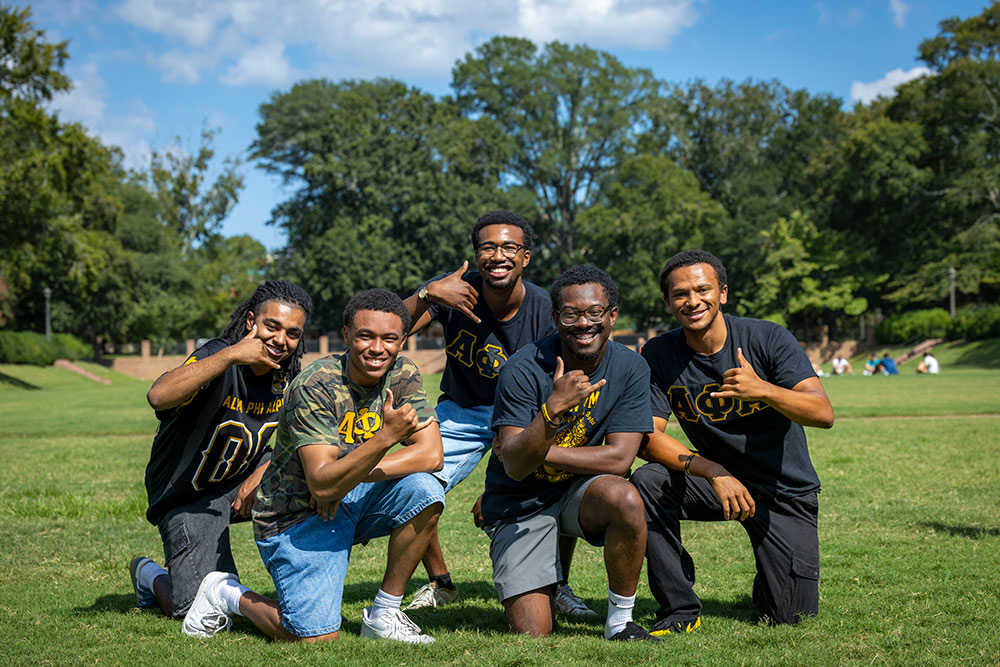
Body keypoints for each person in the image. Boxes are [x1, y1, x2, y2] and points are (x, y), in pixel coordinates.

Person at [183, 289, 446, 643]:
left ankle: (385, 612)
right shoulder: (317, 384)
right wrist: (384, 439)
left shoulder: (402, 372)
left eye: (389, 338)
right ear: (348, 335)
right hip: (296, 515)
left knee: (426, 490)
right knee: (314, 637)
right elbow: (321, 487)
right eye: (366, 336)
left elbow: (431, 455)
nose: (377, 348)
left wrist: (347, 478)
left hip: (346, 495)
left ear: (402, 341)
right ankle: (226, 593)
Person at [402, 210, 595, 617]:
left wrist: (501, 473)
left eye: (510, 247)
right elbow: (389, 328)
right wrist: (428, 293)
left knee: (554, 480)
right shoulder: (457, 291)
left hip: (527, 413)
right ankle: (441, 583)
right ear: (475, 254)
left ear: (526, 256)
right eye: (488, 247)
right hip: (463, 409)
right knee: (414, 483)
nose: (498, 255)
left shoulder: (547, 308)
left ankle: (558, 584)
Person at [631, 250, 834, 635]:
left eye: (703, 289)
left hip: (782, 490)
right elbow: (648, 438)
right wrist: (714, 471)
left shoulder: (767, 337)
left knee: (790, 618)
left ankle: (773, 572)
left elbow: (823, 413)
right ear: (668, 302)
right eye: (680, 294)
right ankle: (679, 607)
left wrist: (765, 391)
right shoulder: (659, 353)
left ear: (722, 293)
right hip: (715, 482)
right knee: (648, 483)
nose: (692, 301)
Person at [482, 265, 658, 641]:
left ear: (611, 315)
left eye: (594, 312)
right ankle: (548, 583)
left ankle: (620, 621)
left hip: (578, 495)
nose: (584, 323)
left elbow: (619, 460)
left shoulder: (630, 367)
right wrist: (551, 411)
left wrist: (535, 451)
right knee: (533, 633)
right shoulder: (522, 369)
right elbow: (514, 468)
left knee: (625, 496)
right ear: (555, 317)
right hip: (519, 501)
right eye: (570, 313)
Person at [128, 280, 312, 635]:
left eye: (292, 333)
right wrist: (230, 355)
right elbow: (158, 395)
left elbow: (294, 440)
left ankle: (308, 586)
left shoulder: (288, 375)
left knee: (315, 478)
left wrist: (264, 472)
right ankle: (150, 576)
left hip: (241, 481)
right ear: (250, 322)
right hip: (188, 495)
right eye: (271, 326)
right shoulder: (218, 354)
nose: (280, 340)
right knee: (197, 610)